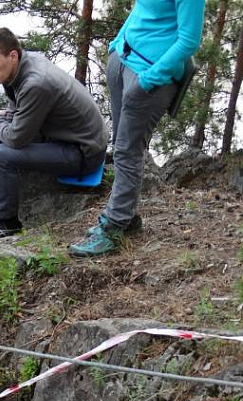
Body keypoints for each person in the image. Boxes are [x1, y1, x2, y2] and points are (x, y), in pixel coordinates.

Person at [69, 0, 205, 257]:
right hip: (124, 61)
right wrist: (117, 45)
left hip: (148, 80)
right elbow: (140, 10)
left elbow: (189, 41)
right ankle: (126, 217)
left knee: (128, 151)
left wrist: (149, 79)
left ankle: (114, 228)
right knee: (122, 146)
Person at [0, 28, 108, 239]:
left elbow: (17, 138)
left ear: (13, 56)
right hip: (62, 136)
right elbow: (13, 113)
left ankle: (8, 221)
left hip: (82, 151)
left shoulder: (36, 83)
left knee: (2, 155)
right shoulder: (18, 68)